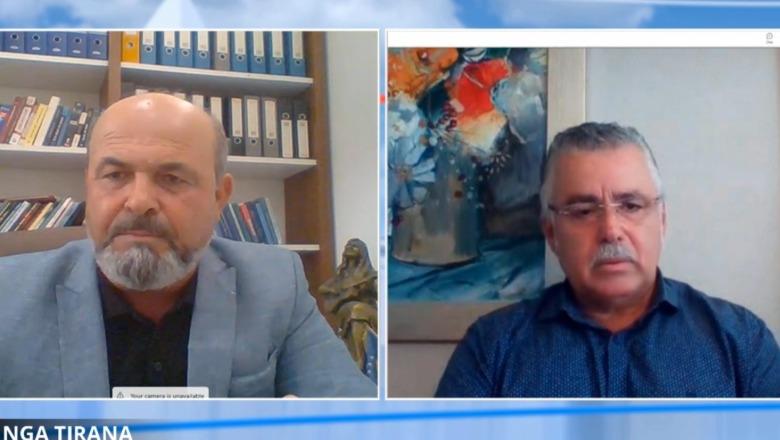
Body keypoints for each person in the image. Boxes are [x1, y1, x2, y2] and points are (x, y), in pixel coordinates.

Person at [0, 93, 376, 398]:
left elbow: (352, 417)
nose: (139, 202)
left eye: (172, 178)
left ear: (219, 196)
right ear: (89, 186)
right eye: (115, 175)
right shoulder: (8, 296)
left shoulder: (276, 284)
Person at [436, 122, 780, 397]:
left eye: (631, 205)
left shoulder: (742, 342)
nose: (611, 230)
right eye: (583, 211)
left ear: (661, 221)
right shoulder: (492, 348)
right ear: (552, 233)